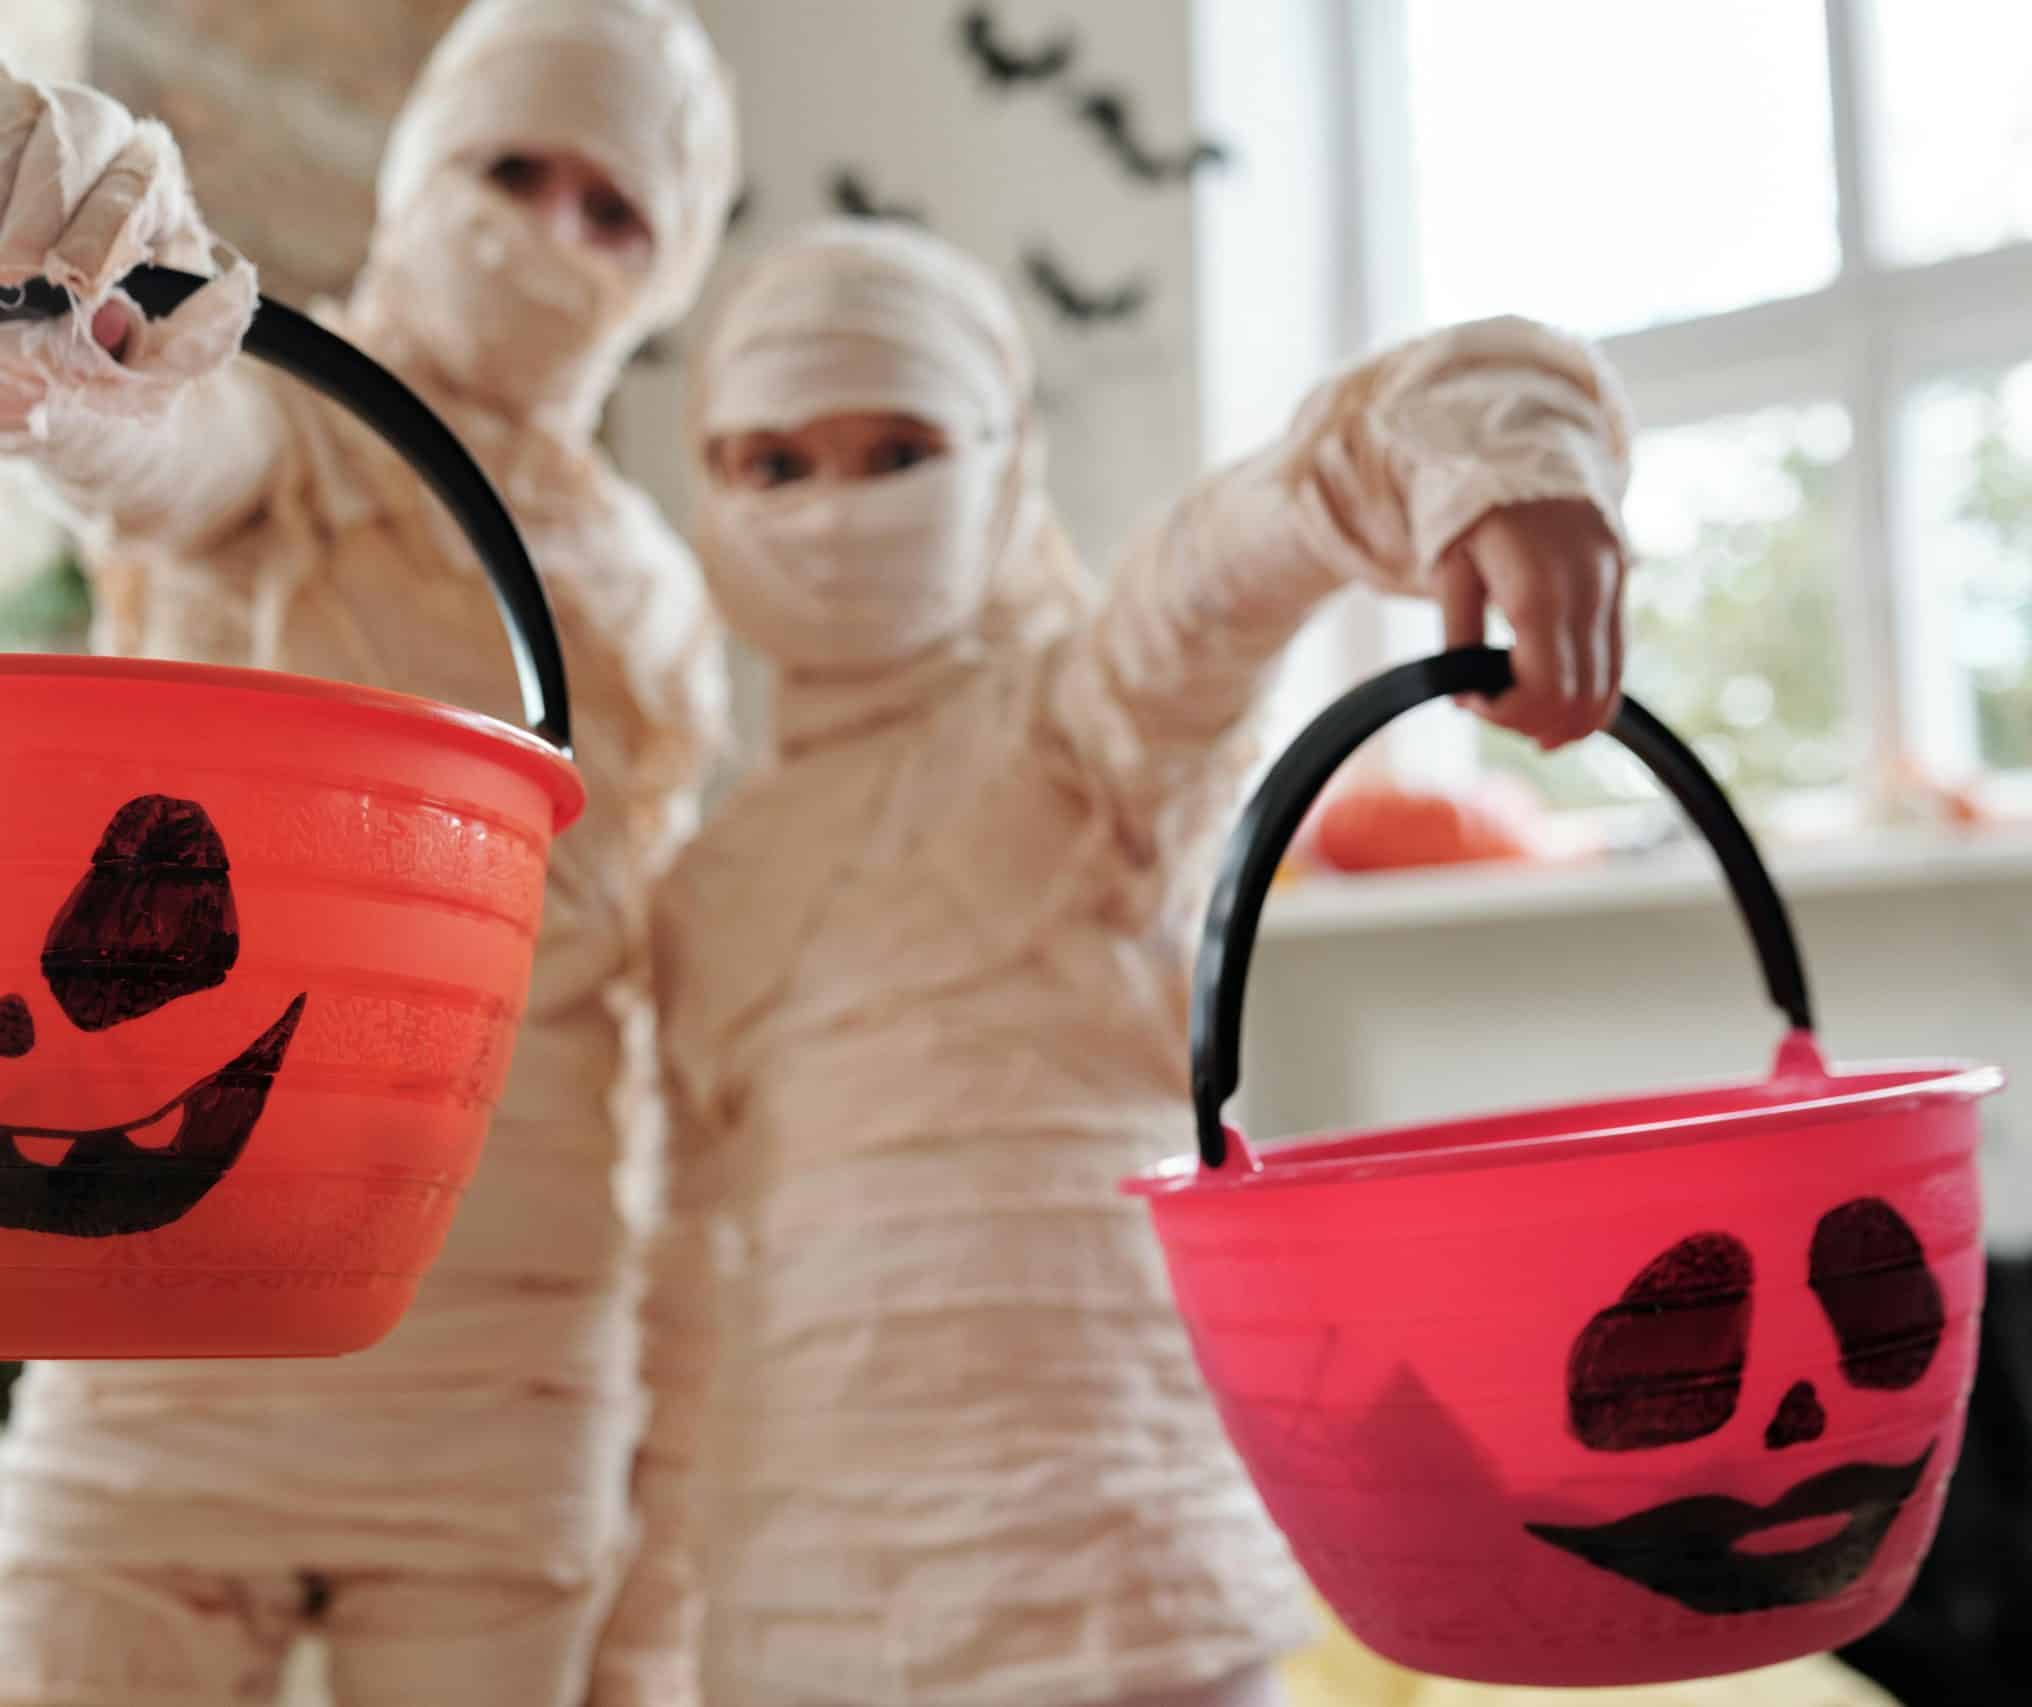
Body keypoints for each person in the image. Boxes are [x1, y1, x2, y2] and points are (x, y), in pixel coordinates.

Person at [0, 4, 738, 1703]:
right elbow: (150, 436)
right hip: (162, 1326)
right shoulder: (295, 416)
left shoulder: (663, 598)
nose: (548, 234)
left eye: (611, 210)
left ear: (670, 267)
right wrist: (92, 300)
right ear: (418, 171)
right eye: (510, 170)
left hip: (512, 1384)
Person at [635, 218, 1633, 1707]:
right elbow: (688, 1284)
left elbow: (1229, 563)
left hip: (1121, 1580)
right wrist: (637, 1637)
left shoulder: (1087, 733)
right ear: (706, 488)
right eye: (773, 462)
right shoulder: (706, 887)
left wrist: (1482, 450)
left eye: (896, 449)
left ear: (1004, 457)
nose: (835, 504)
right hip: (802, 1599)